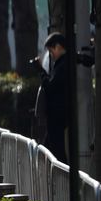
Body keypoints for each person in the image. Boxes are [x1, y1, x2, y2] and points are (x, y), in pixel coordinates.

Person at [40, 33, 69, 161]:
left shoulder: (63, 65)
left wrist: (41, 72)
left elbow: (51, 86)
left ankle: (64, 179)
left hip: (58, 114)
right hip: (57, 114)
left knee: (56, 151)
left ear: (57, 47)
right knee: (50, 148)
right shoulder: (62, 64)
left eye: (51, 51)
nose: (51, 55)